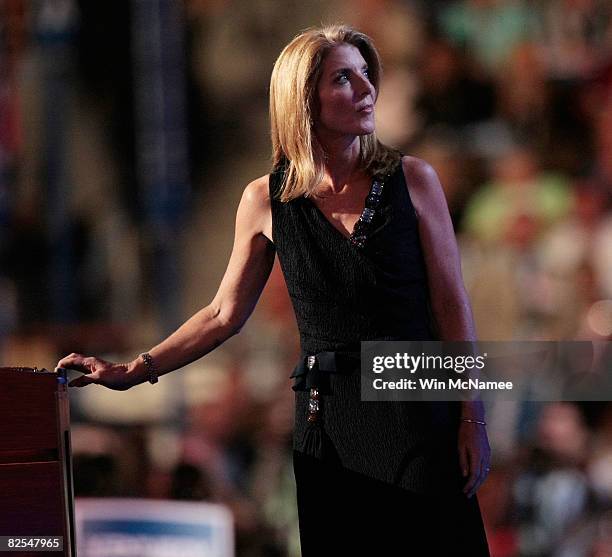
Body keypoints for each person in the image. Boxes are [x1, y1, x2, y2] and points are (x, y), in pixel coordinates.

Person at [58, 24, 491, 556]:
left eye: (365, 75)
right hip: (328, 423)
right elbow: (222, 315)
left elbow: (452, 303)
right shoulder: (267, 200)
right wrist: (134, 370)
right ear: (303, 100)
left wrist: (471, 415)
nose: (365, 90)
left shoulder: (415, 180)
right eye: (343, 78)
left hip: (418, 405)